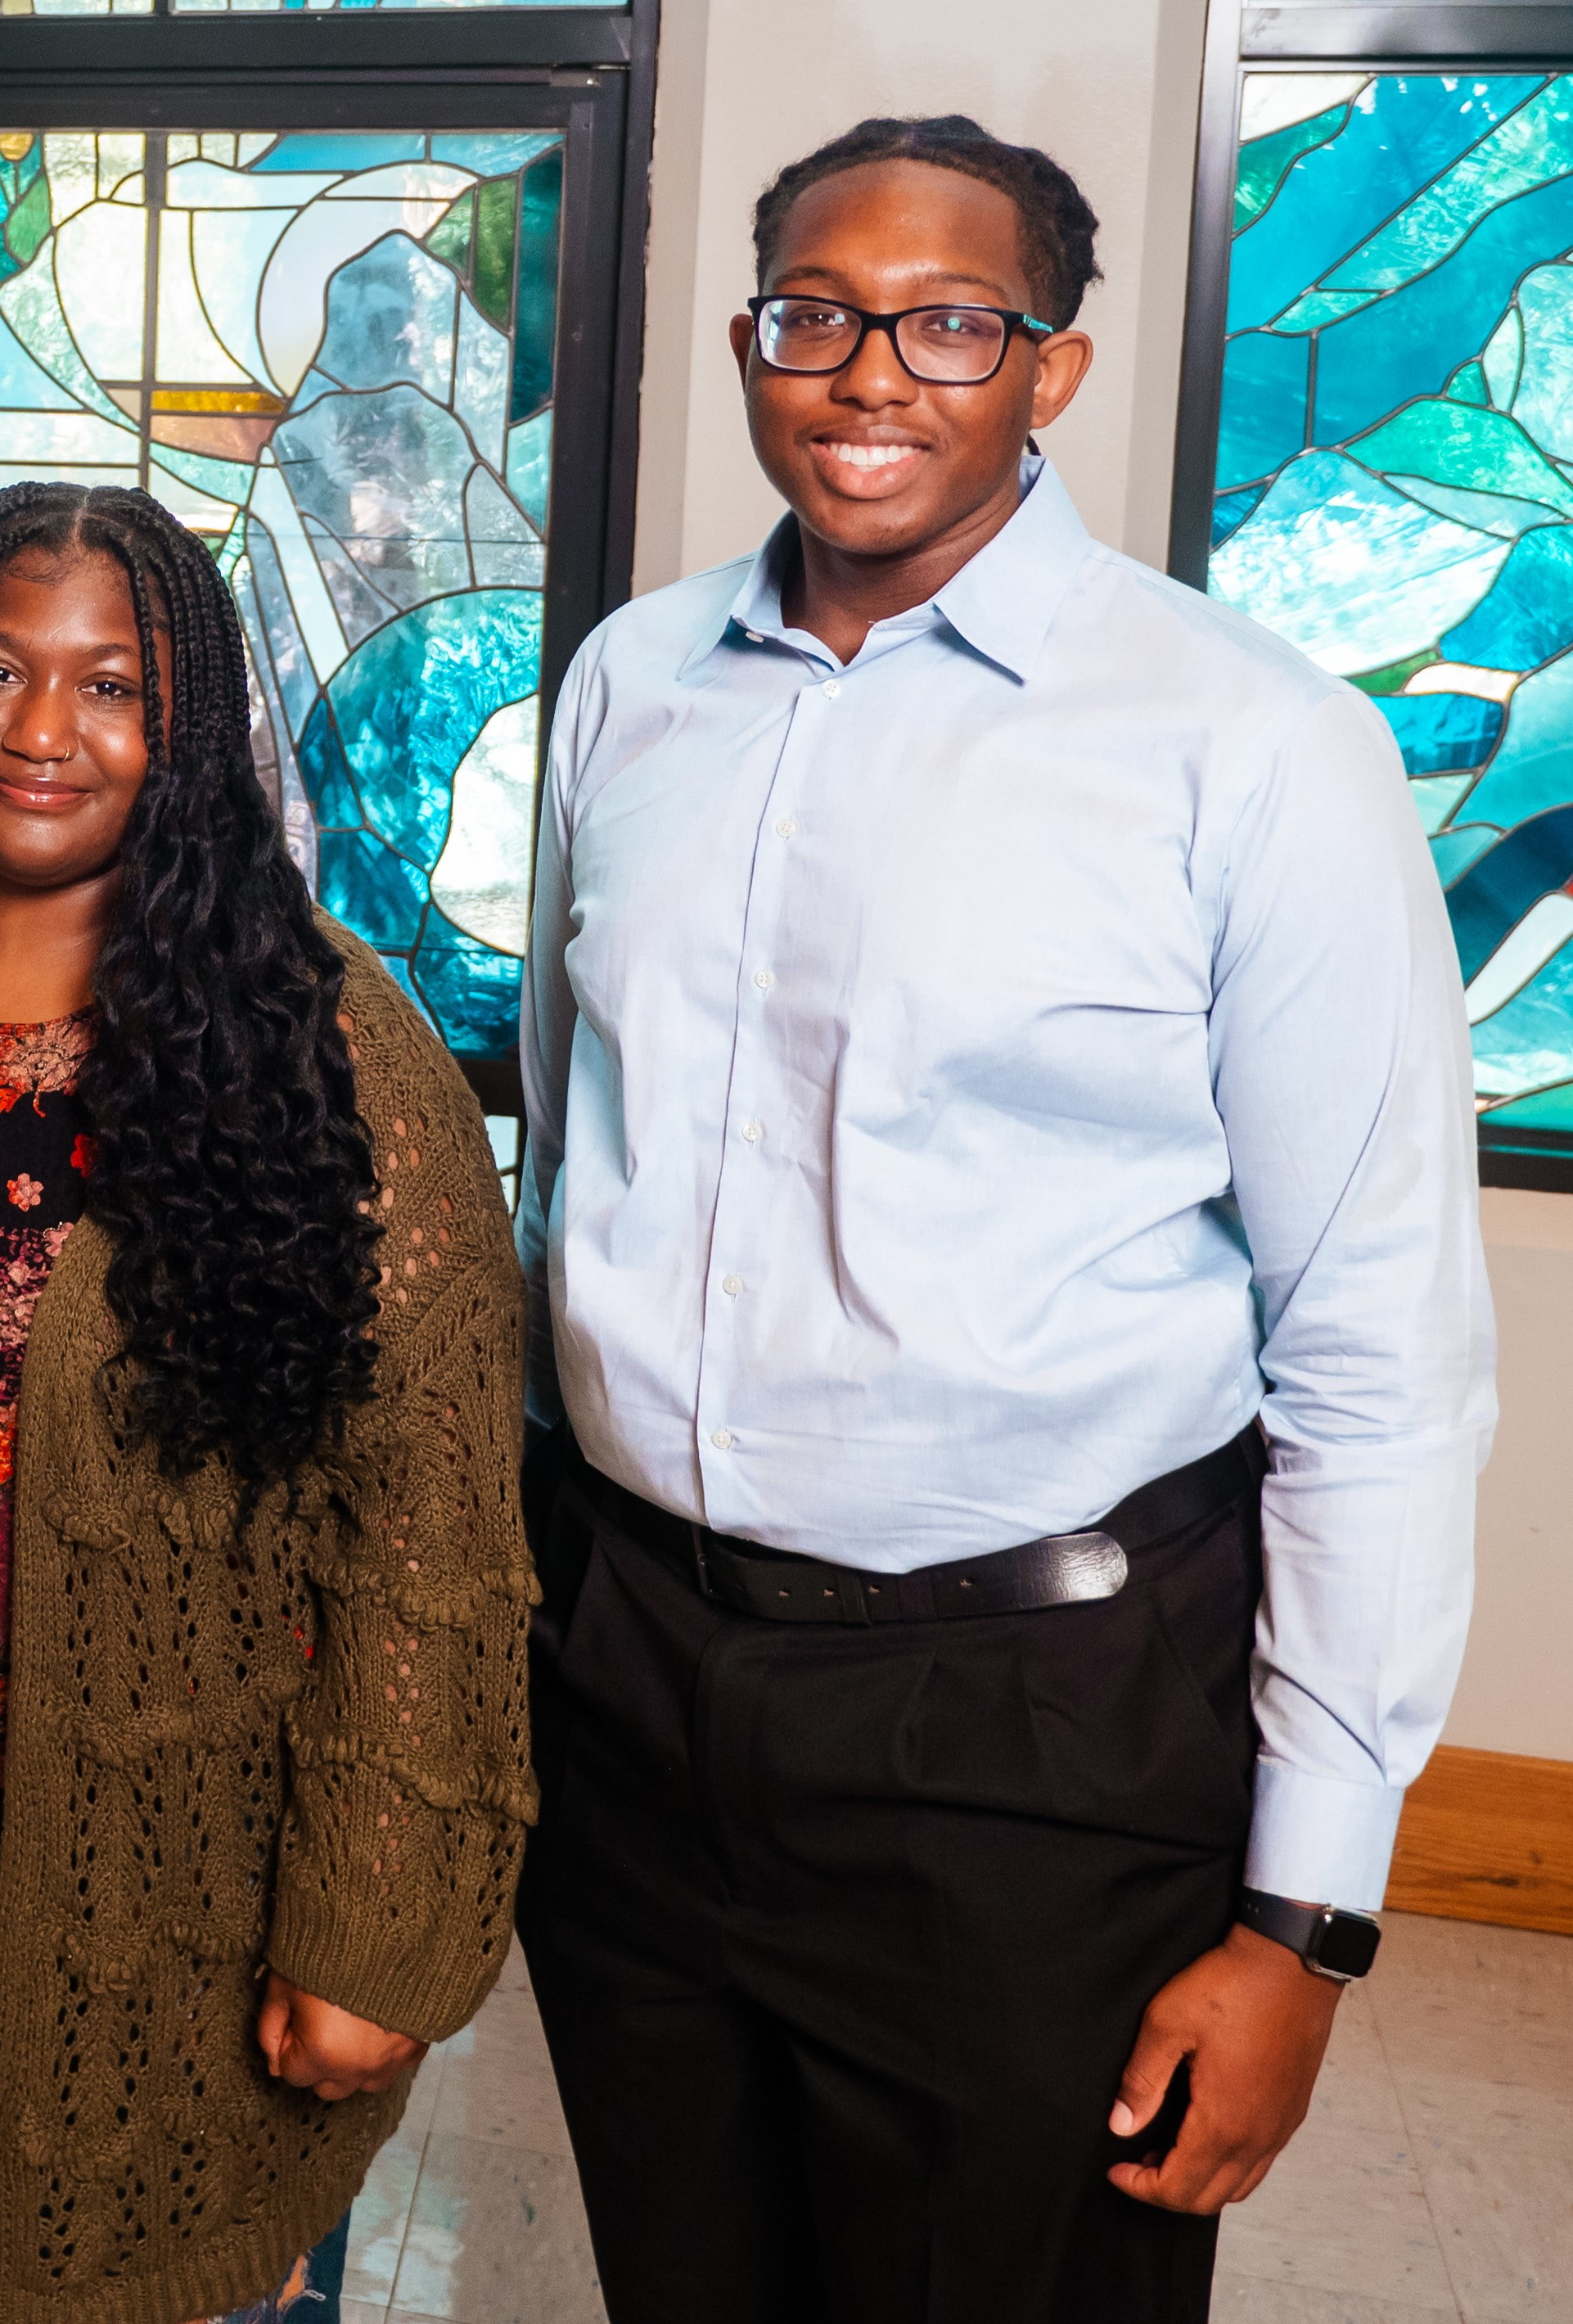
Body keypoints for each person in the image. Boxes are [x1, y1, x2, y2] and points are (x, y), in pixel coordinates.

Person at [513, 115, 1495, 2323]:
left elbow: (1376, 1354)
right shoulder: (627, 688)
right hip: (637, 1695)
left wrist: (1299, 1923)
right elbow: (570, 1161)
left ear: (1049, 369)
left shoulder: (1247, 746)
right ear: (748, 341)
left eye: (951, 322)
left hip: (1034, 1730)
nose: (874, 372)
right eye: (816, 316)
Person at [0, 480, 533, 2324]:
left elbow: (429, 1520)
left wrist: (371, 1911)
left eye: (109, 685)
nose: (43, 730)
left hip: (175, 1864)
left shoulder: (329, 1042)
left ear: (187, 721)